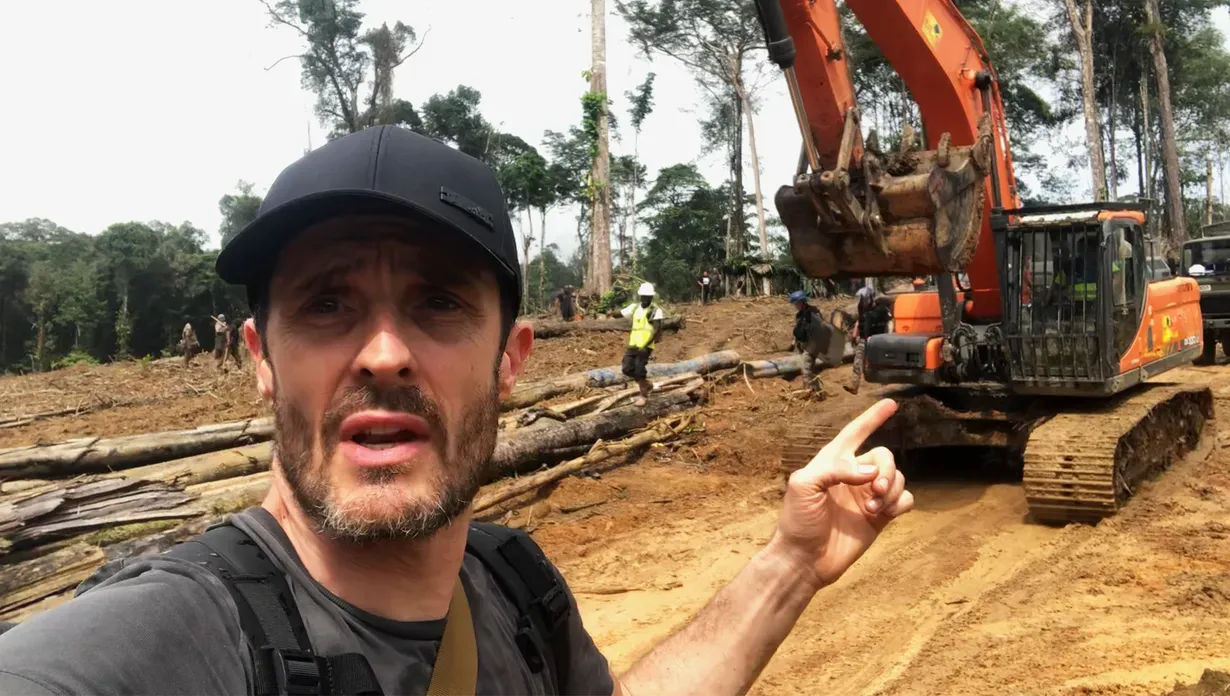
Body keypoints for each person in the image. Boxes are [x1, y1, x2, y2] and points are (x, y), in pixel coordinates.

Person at [0, 125, 914, 696]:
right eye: (327, 304)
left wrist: (791, 564)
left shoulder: (514, 587)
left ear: (511, 362)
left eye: (439, 304)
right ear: (262, 363)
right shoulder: (163, 646)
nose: (385, 352)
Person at [620, 283, 666, 406]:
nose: (646, 298)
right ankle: (647, 385)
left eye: (649, 296)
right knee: (627, 368)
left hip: (646, 346)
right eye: (644, 296)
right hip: (633, 344)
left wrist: (645, 345)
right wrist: (610, 312)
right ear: (641, 296)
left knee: (639, 369)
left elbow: (656, 330)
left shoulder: (655, 311)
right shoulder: (634, 308)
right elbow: (621, 313)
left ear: (652, 296)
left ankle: (643, 396)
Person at [845, 284, 892, 395]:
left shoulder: (881, 309)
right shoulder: (861, 307)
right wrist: (854, 334)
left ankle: (887, 387)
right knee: (858, 362)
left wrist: (889, 336)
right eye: (862, 299)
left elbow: (890, 322)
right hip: (863, 339)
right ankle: (854, 386)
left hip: (877, 340)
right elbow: (859, 321)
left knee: (879, 363)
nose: (863, 301)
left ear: (871, 297)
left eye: (865, 298)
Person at [789, 290, 833, 394]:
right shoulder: (799, 315)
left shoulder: (814, 312)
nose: (795, 306)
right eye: (794, 304)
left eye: (796, 303)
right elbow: (798, 329)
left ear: (802, 302)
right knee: (808, 368)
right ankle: (815, 389)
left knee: (806, 368)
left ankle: (809, 391)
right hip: (803, 344)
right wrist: (793, 342)